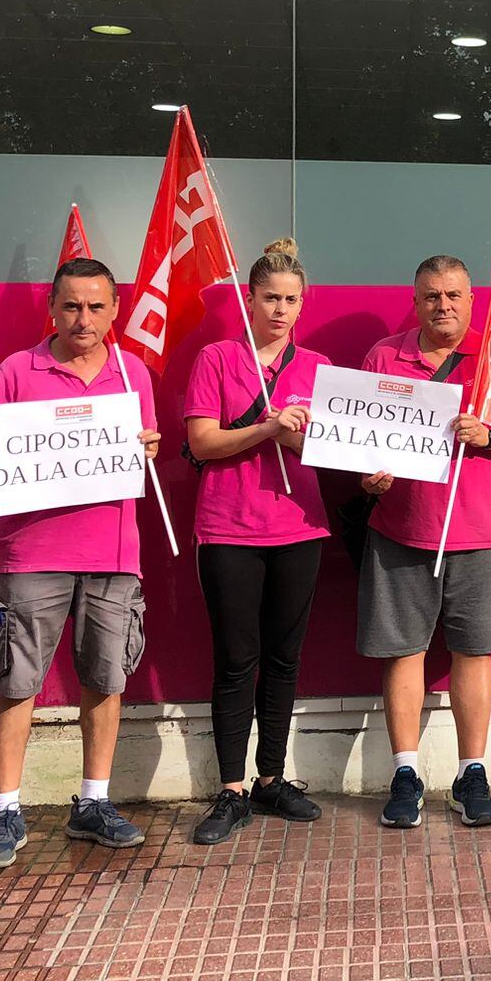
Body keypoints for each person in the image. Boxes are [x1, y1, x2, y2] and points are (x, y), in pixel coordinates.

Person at [0, 257, 163, 868]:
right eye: (72, 306)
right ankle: (5, 812)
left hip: (113, 553)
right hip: (30, 552)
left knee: (106, 680)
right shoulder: (17, 369)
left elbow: (141, 451)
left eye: (97, 307)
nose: (83, 319)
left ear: (116, 310)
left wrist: (145, 447)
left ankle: (93, 803)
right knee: (16, 684)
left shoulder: (135, 374)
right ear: (52, 307)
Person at [358, 255, 491, 829]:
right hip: (401, 529)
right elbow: (362, 440)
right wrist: (368, 476)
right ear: (415, 301)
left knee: (474, 652)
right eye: (432, 296)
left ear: (471, 299)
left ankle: (472, 773)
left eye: (454, 296)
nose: (443, 306)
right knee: (403, 652)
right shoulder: (384, 356)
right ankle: (406, 772)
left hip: (483, 531)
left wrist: (487, 434)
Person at [182, 239, 332, 845]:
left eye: (290, 300)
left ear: (303, 305)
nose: (279, 309)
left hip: (300, 528)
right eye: (270, 297)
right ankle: (231, 788)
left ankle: (271, 777)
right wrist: (270, 426)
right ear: (250, 299)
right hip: (229, 528)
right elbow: (201, 443)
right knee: (235, 660)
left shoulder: (318, 366)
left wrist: (299, 438)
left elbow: (333, 451)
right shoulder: (217, 358)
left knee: (284, 658)